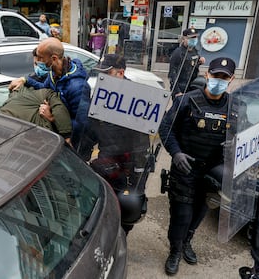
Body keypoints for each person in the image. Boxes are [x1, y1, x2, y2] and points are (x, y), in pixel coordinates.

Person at [159, 57, 236, 276]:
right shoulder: (186, 101)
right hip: (185, 168)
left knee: (200, 210)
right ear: (208, 75)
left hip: (212, 170)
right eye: (215, 75)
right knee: (181, 214)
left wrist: (233, 144)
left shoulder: (234, 107)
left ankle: (186, 242)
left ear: (231, 79)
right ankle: (175, 250)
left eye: (224, 77)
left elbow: (241, 136)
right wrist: (176, 153)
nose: (219, 80)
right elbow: (166, 129)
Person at [87, 54, 151, 233]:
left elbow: (143, 136)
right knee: (105, 200)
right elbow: (93, 125)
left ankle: (122, 235)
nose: (103, 76)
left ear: (120, 73)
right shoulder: (101, 92)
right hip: (106, 157)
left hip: (130, 161)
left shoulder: (139, 96)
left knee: (128, 205)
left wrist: (139, 169)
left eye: (107, 72)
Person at [8, 37, 91, 156]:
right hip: (57, 137)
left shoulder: (77, 87)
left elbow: (82, 124)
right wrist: (24, 80)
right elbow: (44, 87)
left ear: (54, 58)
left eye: (41, 58)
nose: (38, 61)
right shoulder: (53, 73)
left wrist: (53, 117)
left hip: (74, 147)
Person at [0, 85, 72, 144]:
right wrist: (66, 136)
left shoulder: (4, 109)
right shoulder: (44, 93)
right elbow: (59, 109)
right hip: (43, 141)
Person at [168, 28, 206, 99]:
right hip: (181, 87)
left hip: (191, 86)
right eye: (191, 38)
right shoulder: (178, 53)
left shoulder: (194, 50)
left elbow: (192, 64)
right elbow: (172, 73)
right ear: (184, 38)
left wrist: (200, 61)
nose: (194, 39)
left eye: (195, 37)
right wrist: (177, 91)